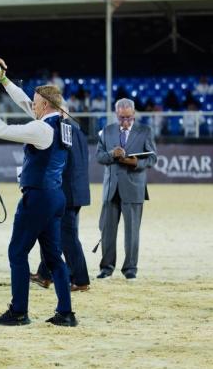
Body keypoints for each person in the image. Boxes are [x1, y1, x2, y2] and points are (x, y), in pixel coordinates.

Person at [0, 58, 76, 327]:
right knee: (54, 257)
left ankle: (19, 311)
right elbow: (22, 101)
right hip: (55, 196)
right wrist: (3, 79)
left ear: (44, 105)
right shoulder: (61, 122)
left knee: (17, 252)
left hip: (38, 198)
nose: (31, 104)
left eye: (35, 102)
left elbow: (1, 130)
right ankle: (65, 312)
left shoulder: (41, 128)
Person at [31, 106, 91, 292]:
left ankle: (80, 280)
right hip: (75, 190)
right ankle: (45, 274)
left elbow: (60, 162)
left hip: (66, 191)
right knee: (49, 232)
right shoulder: (77, 131)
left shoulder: (62, 131)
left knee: (67, 237)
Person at [96, 98, 157, 280]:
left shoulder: (145, 131)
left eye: (129, 118)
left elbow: (153, 158)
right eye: (122, 118)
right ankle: (106, 268)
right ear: (116, 115)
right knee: (107, 232)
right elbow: (99, 156)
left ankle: (130, 269)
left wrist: (136, 162)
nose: (125, 122)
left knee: (132, 233)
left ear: (134, 114)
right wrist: (111, 154)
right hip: (110, 189)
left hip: (133, 188)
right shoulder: (106, 131)